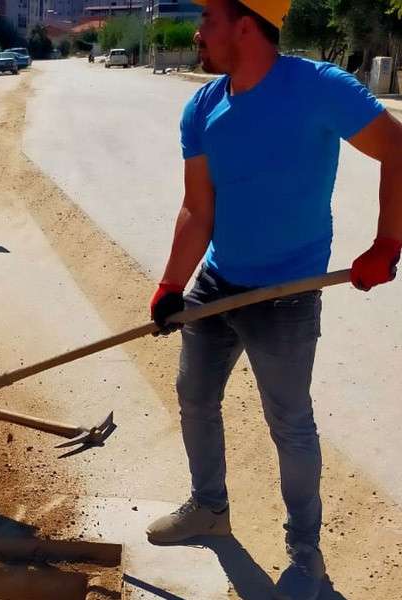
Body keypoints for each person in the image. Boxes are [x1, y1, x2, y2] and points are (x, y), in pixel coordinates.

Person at [144, 1, 402, 598]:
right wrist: (170, 285)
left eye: (208, 19)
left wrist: (388, 240)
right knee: (193, 396)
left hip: (288, 292)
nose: (196, 32)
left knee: (289, 423)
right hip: (218, 282)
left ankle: (305, 555)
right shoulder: (203, 107)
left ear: (244, 25)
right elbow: (197, 208)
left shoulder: (317, 88)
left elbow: (397, 148)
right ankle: (209, 507)